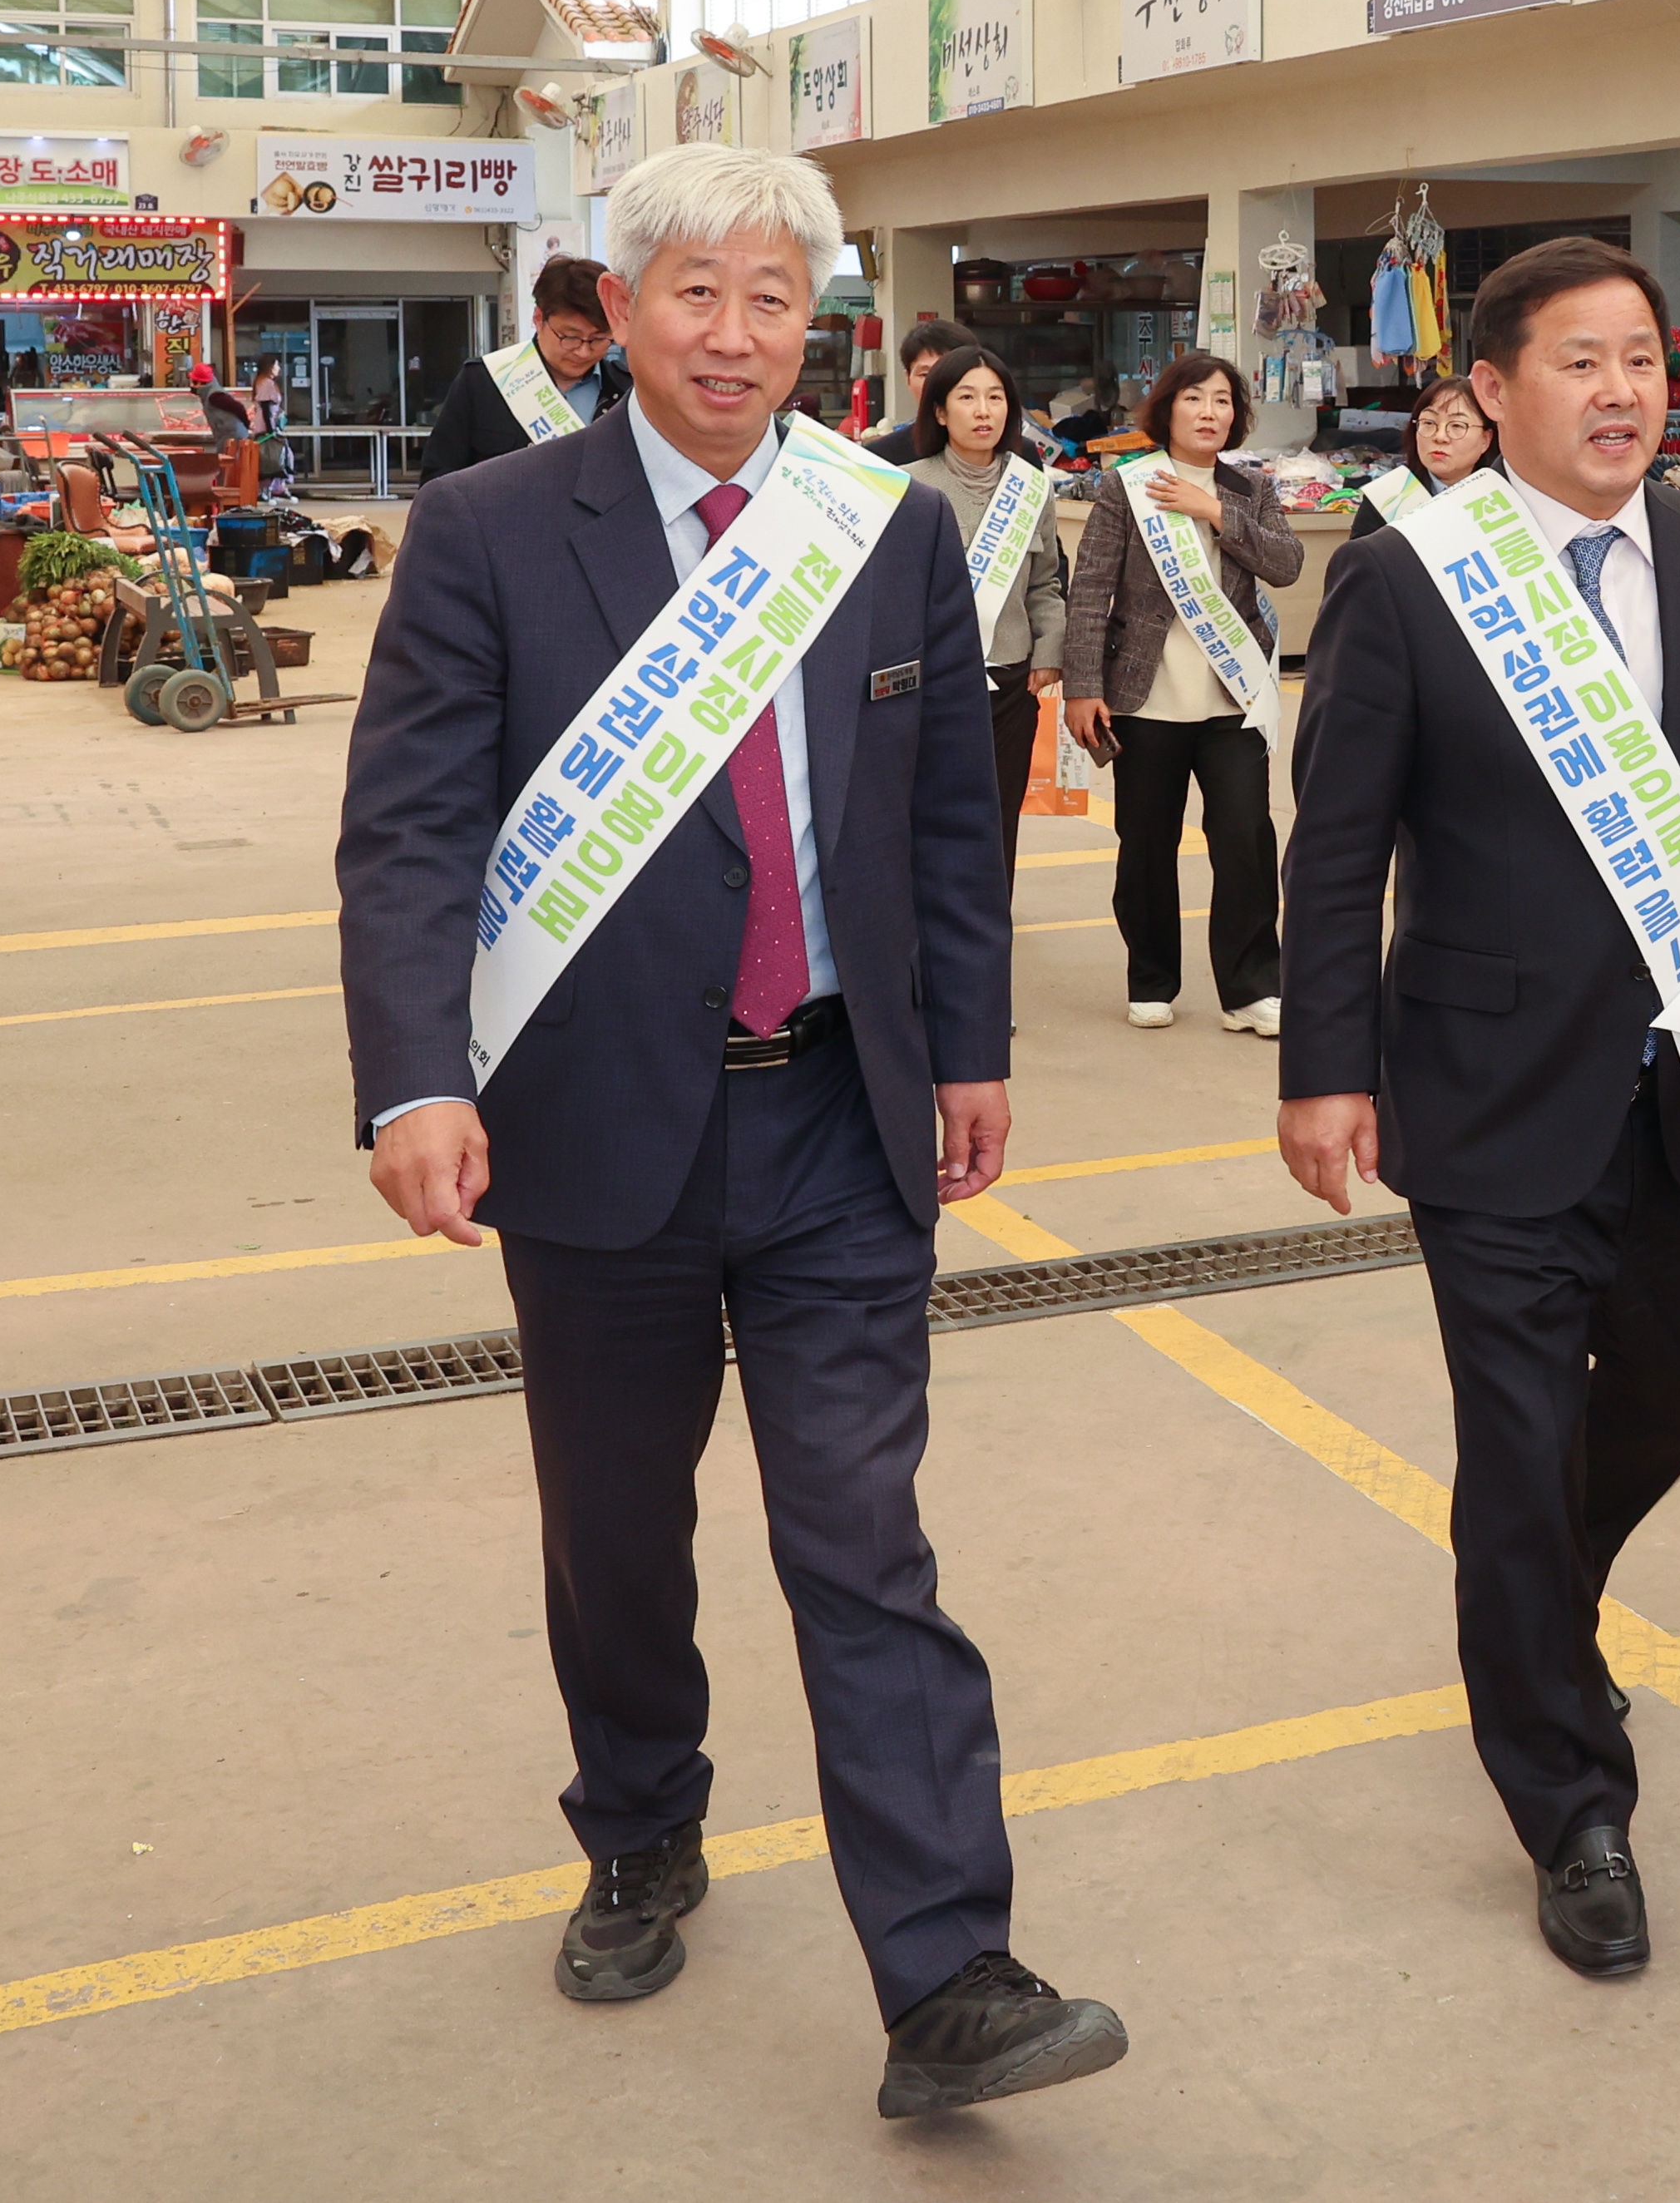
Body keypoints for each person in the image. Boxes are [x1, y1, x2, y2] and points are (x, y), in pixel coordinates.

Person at [334, 144, 1129, 2121]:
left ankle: (948, 1964)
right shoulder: (492, 528)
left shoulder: (875, 529)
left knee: (863, 1534)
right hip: (594, 1128)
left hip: (838, 1114)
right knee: (618, 1529)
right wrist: (416, 1071)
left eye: (773, 294)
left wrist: (967, 1043)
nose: (734, 331)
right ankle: (638, 1819)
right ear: (618, 308)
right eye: (695, 290)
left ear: (815, 320)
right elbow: (412, 826)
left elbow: (950, 813)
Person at [1274, 236, 1680, 1979]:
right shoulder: (1412, 582)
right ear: (1489, 390)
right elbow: (1336, 854)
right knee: (1519, 1437)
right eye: (1581, 360)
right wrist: (1325, 1064)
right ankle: (1573, 1804)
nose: (1624, 390)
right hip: (1480, 1089)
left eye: (1641, 357)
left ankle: (1536, 1597)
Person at [1058, 350, 1295, 1037]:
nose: (1210, 413)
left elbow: (1285, 564)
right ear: (1168, 409)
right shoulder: (1124, 487)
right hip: (1145, 699)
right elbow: (1091, 591)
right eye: (1196, 399)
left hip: (1233, 701)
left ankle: (1251, 988)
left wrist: (1214, 510)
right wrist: (1082, 686)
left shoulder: (1251, 489)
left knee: (1247, 840)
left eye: (1222, 401)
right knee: (1147, 845)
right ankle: (1152, 978)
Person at [904, 342, 1068, 885]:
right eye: (967, 397)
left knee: (999, 817)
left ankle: (989, 926)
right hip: (933, 683)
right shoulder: (910, 487)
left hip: (1011, 683)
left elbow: (1045, 581)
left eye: (996, 397)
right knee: (931, 814)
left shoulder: (1030, 486)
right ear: (939, 411)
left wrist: (1049, 652)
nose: (984, 411)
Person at [418, 257, 623, 482]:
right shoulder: (485, 382)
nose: (583, 352)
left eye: (598, 339)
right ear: (538, 318)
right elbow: (438, 480)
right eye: (570, 337)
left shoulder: (627, 391)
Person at [1353, 370, 1498, 523]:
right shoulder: (1389, 498)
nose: (1440, 437)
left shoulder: (1505, 498)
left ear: (1485, 439)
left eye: (1457, 425)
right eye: (1429, 423)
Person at [863, 318, 981, 462]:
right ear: (908, 379)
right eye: (925, 374)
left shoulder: (1007, 452)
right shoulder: (879, 457)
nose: (937, 383)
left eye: (951, 372)